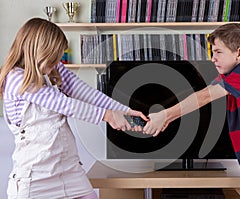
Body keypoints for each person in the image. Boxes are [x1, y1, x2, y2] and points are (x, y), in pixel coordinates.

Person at [143, 23, 240, 198]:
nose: (213, 58)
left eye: (218, 52)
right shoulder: (234, 76)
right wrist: (165, 114)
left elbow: (205, 97)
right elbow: (198, 94)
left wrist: (165, 115)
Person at [0, 17, 148, 199]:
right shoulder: (16, 79)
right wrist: (108, 116)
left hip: (69, 172)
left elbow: (86, 93)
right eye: (53, 58)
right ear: (38, 51)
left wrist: (124, 111)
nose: (56, 64)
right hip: (35, 179)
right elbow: (65, 104)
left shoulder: (53, 70)